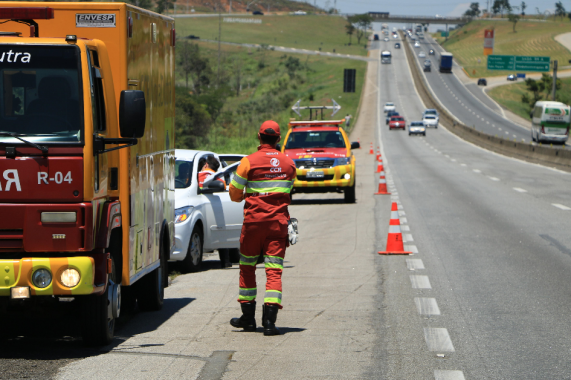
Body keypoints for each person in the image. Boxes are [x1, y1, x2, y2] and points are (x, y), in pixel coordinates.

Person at [228, 120, 296, 336]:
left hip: (253, 224)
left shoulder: (248, 162)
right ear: (278, 139)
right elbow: (289, 189)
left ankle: (248, 319)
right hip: (277, 225)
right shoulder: (288, 163)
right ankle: (269, 323)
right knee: (274, 271)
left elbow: (234, 193)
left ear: (259, 137)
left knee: (247, 267)